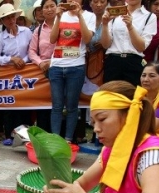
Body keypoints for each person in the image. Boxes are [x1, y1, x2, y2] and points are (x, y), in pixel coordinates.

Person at [49, 0, 95, 143]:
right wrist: (57, 17)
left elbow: (87, 39)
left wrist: (79, 15)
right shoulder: (60, 14)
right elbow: (52, 39)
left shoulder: (89, 16)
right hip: (56, 65)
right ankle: (55, 140)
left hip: (76, 66)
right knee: (56, 106)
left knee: (72, 106)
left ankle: (68, 140)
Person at [0, 3, 33, 145]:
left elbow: (31, 50)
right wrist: (11, 59)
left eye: (12, 17)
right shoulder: (0, 38)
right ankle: (9, 134)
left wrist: (24, 60)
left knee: (25, 104)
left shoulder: (27, 32)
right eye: (7, 18)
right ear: (2, 21)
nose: (11, 20)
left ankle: (27, 136)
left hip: (27, 73)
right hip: (9, 76)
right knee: (10, 106)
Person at [101, 0, 157, 86]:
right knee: (110, 95)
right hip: (113, 60)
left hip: (134, 62)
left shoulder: (150, 16)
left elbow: (141, 47)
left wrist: (130, 27)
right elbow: (105, 45)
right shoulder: (114, 12)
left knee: (132, 96)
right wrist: (104, 24)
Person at [28, 0, 57, 132]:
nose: (49, 9)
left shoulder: (64, 26)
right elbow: (32, 51)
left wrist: (53, 62)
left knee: (59, 105)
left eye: (52, 6)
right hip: (43, 72)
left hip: (60, 68)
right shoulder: (38, 31)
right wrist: (40, 63)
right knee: (43, 106)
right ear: (42, 10)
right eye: (46, 7)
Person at [140, 62, 159, 131]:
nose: (145, 80)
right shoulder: (135, 97)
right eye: (143, 75)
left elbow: (154, 126)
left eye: (152, 76)